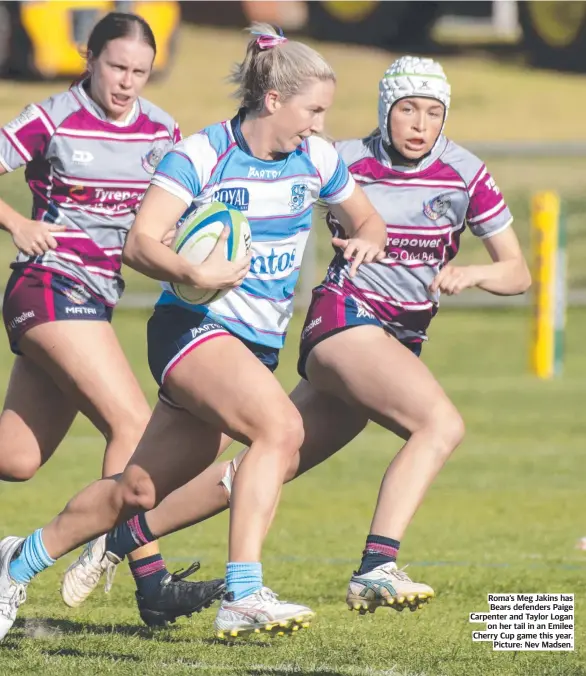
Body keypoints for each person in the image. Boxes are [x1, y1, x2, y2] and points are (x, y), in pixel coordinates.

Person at [60, 54, 531, 617]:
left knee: (268, 462)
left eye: (433, 112)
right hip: (345, 322)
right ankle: (374, 566)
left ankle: (121, 537)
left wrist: (473, 273)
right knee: (440, 423)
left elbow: (518, 273)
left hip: (396, 342)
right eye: (407, 109)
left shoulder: (464, 172)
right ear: (386, 111)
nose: (419, 123)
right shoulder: (337, 154)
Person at [0, 24, 387, 641]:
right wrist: (193, 270)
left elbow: (367, 218)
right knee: (281, 430)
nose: (319, 122)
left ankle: (16, 561)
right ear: (273, 100)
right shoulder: (202, 153)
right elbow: (139, 242)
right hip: (192, 329)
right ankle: (244, 592)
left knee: (136, 489)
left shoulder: (318, 158)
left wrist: (367, 238)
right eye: (312, 109)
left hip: (254, 348)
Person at [0, 12, 225, 628]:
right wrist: (18, 224)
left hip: (94, 301)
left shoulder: (162, 131)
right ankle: (149, 583)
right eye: (116, 67)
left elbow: (178, 214)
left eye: (140, 72)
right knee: (132, 423)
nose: (127, 82)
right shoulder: (52, 116)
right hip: (45, 288)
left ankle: (11, 556)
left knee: (16, 459)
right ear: (88, 58)